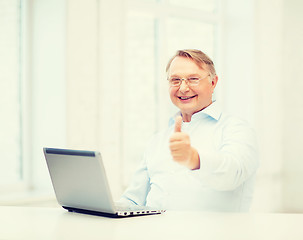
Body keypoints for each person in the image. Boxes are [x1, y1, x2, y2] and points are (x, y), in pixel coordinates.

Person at [118, 49, 259, 212]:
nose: (183, 88)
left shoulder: (237, 129)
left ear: (213, 83)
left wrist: (193, 159)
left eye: (193, 79)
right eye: (175, 80)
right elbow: (133, 200)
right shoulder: (158, 140)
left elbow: (232, 173)